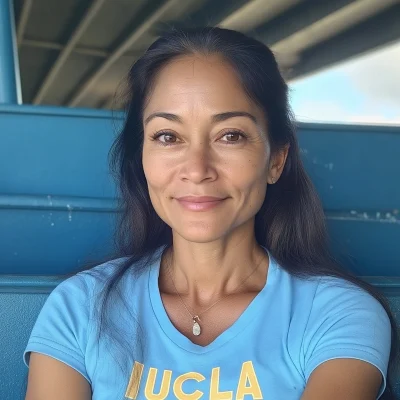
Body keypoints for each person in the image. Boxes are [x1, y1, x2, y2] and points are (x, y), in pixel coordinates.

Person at [23, 27, 397, 400]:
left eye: (230, 135)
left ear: (276, 160)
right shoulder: (80, 306)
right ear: (141, 158)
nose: (198, 168)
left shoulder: (338, 314)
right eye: (168, 136)